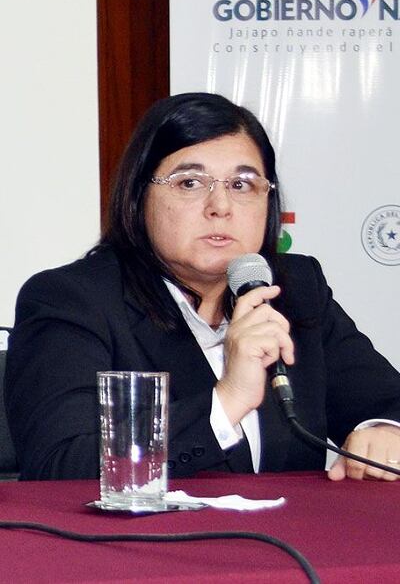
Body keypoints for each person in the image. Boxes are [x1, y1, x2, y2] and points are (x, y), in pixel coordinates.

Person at [4, 92, 400, 482]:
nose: (220, 207)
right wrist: (227, 401)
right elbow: (58, 465)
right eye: (190, 182)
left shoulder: (294, 289)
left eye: (242, 185)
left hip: (289, 527)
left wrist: (384, 429)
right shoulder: (71, 300)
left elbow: (387, 401)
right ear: (139, 196)